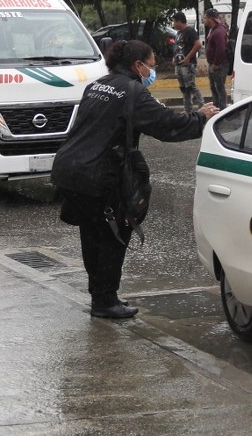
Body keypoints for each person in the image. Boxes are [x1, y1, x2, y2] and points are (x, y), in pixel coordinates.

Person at [52, 38, 219, 319]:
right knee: (114, 234)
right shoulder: (133, 92)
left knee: (92, 235)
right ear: (137, 65)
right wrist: (200, 118)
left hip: (69, 168)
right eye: (151, 66)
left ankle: (100, 297)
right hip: (96, 174)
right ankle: (105, 301)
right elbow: (167, 126)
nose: (152, 72)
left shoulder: (97, 86)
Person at [171, 12, 203, 112]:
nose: (173, 24)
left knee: (191, 86)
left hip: (188, 65)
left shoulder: (190, 31)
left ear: (179, 21)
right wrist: (174, 58)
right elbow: (177, 47)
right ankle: (188, 110)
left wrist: (188, 57)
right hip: (179, 65)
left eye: (174, 21)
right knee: (184, 88)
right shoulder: (178, 33)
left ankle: (202, 106)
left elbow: (198, 45)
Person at [202, 7, 230, 108]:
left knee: (219, 89)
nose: (204, 20)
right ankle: (216, 108)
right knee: (214, 89)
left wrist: (216, 64)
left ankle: (222, 110)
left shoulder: (219, 31)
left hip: (219, 65)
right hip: (213, 64)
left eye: (205, 17)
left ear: (210, 18)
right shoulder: (213, 30)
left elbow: (221, 48)